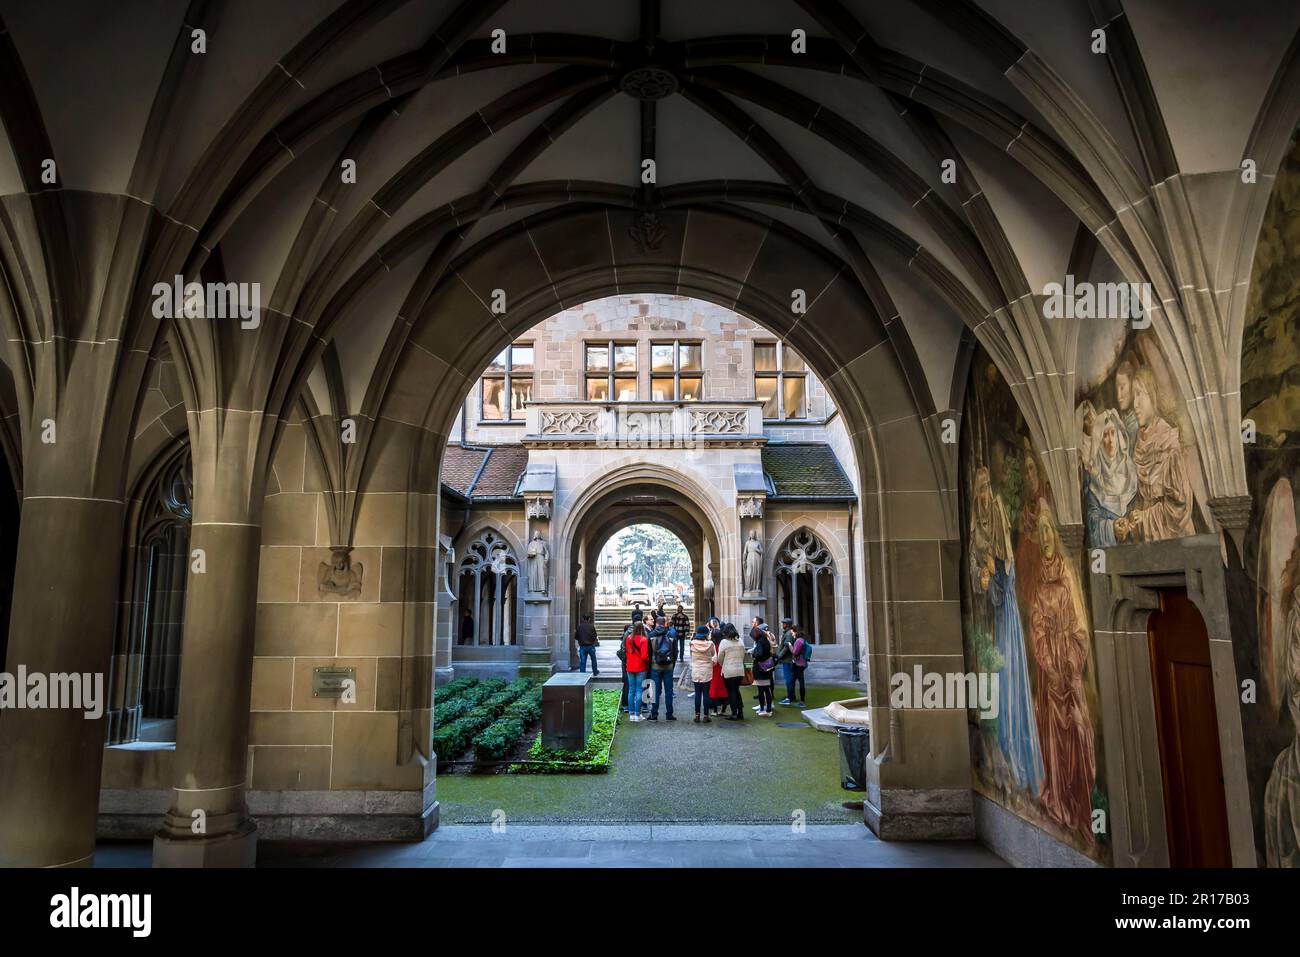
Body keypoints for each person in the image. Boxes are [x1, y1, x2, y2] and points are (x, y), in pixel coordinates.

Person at [646, 615, 677, 721]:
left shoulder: (651, 635)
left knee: (655, 690)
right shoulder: (671, 634)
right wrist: (673, 664)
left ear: (656, 624)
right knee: (669, 691)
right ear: (665, 623)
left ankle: (654, 714)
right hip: (668, 666)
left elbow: (649, 653)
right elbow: (675, 652)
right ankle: (669, 714)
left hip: (655, 666)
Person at [715, 624, 748, 720]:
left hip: (729, 670)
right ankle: (740, 712)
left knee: (731, 692)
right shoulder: (740, 641)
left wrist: (723, 665)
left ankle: (734, 712)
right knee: (737, 691)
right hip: (739, 670)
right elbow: (743, 655)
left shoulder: (724, 642)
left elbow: (720, 658)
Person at [624, 621, 650, 722]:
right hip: (640, 667)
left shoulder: (628, 638)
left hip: (630, 666)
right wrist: (648, 660)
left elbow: (627, 652)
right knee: (639, 690)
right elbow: (644, 656)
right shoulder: (644, 639)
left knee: (631, 690)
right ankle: (637, 714)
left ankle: (631, 714)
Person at [691, 629, 718, 723]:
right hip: (707, 671)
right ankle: (706, 716)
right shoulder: (710, 644)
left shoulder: (692, 643)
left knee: (697, 693)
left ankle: (697, 715)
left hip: (696, 670)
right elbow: (715, 658)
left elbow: (692, 656)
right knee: (706, 694)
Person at [750, 623, 776, 716]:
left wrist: (753, 655)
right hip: (767, 668)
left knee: (762, 690)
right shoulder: (765, 640)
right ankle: (766, 709)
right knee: (766, 689)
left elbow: (760, 654)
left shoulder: (760, 642)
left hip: (761, 668)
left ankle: (765, 710)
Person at [787, 625, 811, 707]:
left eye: (792, 632)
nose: (792, 634)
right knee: (794, 681)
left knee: (798, 681)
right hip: (801, 663)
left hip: (798, 664)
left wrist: (790, 645)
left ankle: (801, 701)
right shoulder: (802, 640)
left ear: (796, 631)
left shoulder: (798, 641)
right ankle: (791, 698)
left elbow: (794, 652)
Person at [708, 628, 729, 716]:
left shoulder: (711, 646)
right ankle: (723, 709)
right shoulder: (723, 645)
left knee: (714, 689)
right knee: (723, 689)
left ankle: (715, 710)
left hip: (714, 669)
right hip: (723, 668)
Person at [776, 617, 796, 705]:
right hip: (786, 660)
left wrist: (779, 656)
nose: (782, 625)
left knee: (788, 679)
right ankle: (791, 695)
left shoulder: (788, 634)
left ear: (787, 625)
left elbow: (786, 647)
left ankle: (789, 697)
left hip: (787, 660)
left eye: (784, 623)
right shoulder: (787, 633)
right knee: (789, 679)